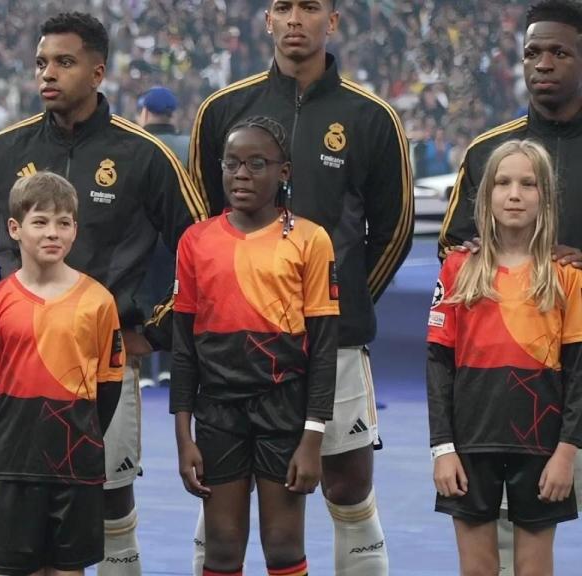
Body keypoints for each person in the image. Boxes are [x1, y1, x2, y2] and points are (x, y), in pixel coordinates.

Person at [0, 12, 207, 573]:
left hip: (102, 363)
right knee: (22, 506)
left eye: (64, 62)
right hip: (16, 365)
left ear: (98, 71)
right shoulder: (4, 149)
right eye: (42, 62)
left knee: (110, 502)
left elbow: (203, 247)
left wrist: (153, 331)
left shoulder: (145, 155)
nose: (48, 73)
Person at [189, 1, 413, 574]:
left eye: (309, 6)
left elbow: (394, 230)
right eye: (282, 6)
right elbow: (199, 225)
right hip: (239, 347)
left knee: (346, 484)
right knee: (223, 495)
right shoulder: (223, 109)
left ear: (331, 21)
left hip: (331, 345)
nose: (295, 18)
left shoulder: (372, 117)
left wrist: (338, 310)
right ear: (267, 19)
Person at [437, 2, 582, 571]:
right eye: (531, 53)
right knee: (502, 545)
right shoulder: (489, 154)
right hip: (526, 387)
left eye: (559, 52)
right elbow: (454, 248)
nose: (542, 63)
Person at [173, 116, 338, 576]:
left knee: (283, 545)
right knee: (223, 547)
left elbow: (323, 349)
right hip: (219, 410)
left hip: (283, 409)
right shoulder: (196, 241)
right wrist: (183, 435)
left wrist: (312, 437)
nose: (241, 174)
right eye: (231, 164)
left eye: (256, 164)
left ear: (283, 172)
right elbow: (183, 348)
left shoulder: (310, 240)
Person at [0, 171, 123, 576]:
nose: (52, 233)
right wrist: (10, 440)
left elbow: (108, 389)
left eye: (63, 223)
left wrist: (80, 438)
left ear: (75, 229)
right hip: (14, 463)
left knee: (67, 569)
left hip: (76, 464)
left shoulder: (98, 301)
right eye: (40, 222)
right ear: (15, 229)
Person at [136, 85, 186, 388]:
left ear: (144, 112)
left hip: (140, 239)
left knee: (140, 298)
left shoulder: (133, 144)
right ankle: (169, 367)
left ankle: (141, 370)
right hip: (178, 239)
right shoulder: (189, 145)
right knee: (176, 296)